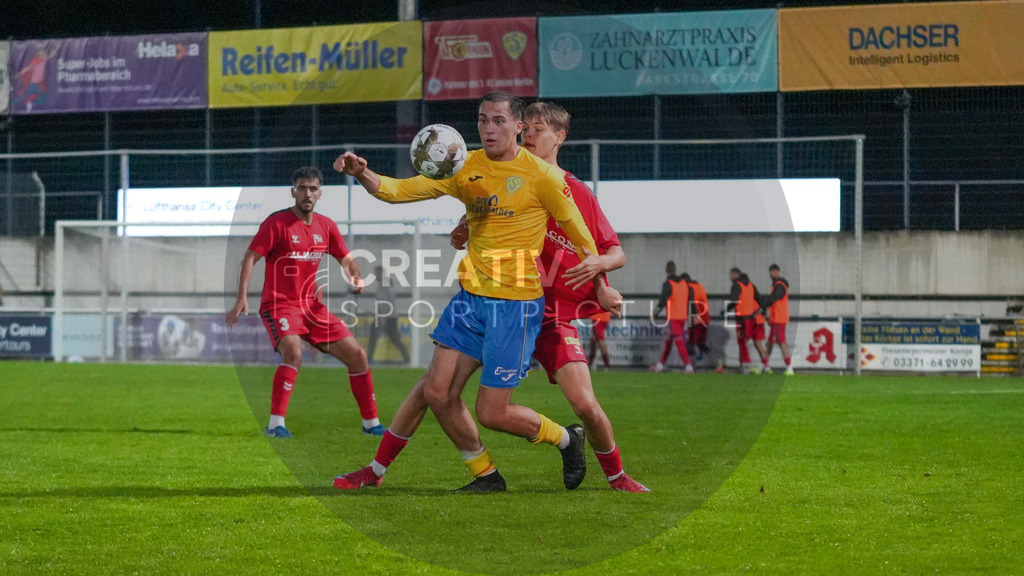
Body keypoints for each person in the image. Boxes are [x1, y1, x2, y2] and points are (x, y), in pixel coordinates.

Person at [332, 92, 619, 492]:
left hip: (516, 305)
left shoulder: (543, 177)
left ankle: (566, 438)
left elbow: (582, 237)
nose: (488, 128)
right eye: (483, 120)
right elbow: (397, 191)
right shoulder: (464, 165)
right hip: (470, 300)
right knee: (436, 392)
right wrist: (362, 173)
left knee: (492, 413)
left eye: (498, 120)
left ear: (518, 126)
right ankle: (483, 475)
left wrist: (601, 285)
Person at [225, 166, 386, 438]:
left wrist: (355, 276)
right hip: (279, 305)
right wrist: (241, 297)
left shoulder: (327, 226)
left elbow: (347, 259)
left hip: (312, 308)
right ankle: (276, 425)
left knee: (358, 356)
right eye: (302, 188)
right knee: (294, 352)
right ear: (293, 192)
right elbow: (250, 257)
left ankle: (371, 424)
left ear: (320, 193)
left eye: (313, 189)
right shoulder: (277, 223)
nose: (307, 194)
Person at [651, 261, 695, 374]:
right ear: (675, 270)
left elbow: (662, 301)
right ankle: (660, 366)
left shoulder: (668, 284)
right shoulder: (684, 283)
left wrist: (655, 313)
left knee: (678, 341)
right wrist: (695, 314)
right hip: (683, 317)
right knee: (669, 341)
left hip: (674, 317)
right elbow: (691, 300)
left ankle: (688, 366)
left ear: (666, 271)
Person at [366, 265, 410, 365]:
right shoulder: (385, 283)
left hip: (386, 317)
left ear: (380, 273)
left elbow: (385, 302)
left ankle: (368, 360)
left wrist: (382, 318)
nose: (375, 276)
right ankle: (407, 359)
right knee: (393, 339)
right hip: (388, 316)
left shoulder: (384, 284)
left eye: (376, 273)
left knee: (377, 338)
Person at [727, 267, 768, 373]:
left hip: (742, 319)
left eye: (731, 275)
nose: (730, 277)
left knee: (742, 342)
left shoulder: (736, 285)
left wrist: (727, 309)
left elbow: (734, 300)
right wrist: (763, 313)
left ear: (735, 274)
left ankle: (745, 365)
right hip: (753, 319)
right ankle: (766, 366)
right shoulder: (751, 285)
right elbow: (760, 300)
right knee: (757, 343)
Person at [760, 264, 794, 375]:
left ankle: (789, 367)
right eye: (771, 272)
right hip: (776, 319)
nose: (772, 274)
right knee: (770, 343)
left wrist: (763, 306)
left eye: (774, 272)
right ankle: (765, 365)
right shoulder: (777, 285)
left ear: (778, 272)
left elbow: (773, 299)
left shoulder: (780, 286)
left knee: (781, 342)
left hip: (779, 319)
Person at [682, 273, 718, 372]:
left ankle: (691, 366)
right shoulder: (699, 286)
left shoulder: (689, 288)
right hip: (705, 318)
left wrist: (692, 318)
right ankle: (717, 363)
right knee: (701, 344)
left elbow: (691, 304)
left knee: (691, 343)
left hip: (696, 318)